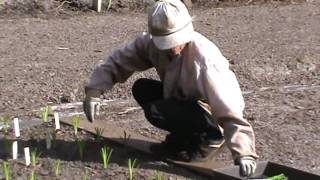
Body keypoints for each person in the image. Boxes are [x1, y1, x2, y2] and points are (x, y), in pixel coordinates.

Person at [83, 0, 258, 177]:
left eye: (176, 42)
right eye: (167, 43)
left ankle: (210, 139)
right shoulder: (150, 44)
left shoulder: (206, 61)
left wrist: (244, 153)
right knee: (142, 88)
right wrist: (94, 91)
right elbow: (119, 61)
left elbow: (229, 108)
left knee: (157, 111)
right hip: (182, 99)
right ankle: (182, 139)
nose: (173, 49)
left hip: (209, 112)